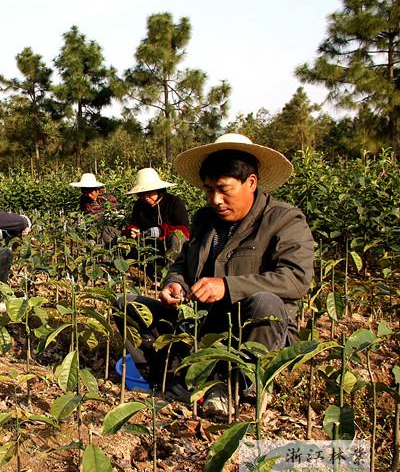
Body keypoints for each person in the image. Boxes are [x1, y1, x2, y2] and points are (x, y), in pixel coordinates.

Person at [116, 134, 314, 415]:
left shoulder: (284, 220)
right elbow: (182, 264)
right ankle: (167, 375)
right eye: (209, 190)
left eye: (224, 189)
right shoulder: (204, 219)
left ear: (251, 183)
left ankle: (233, 383)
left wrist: (227, 286)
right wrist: (174, 283)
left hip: (253, 330)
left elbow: (294, 279)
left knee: (265, 303)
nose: (216, 200)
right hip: (203, 324)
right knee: (127, 305)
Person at [122, 167, 190, 261]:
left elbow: (184, 230)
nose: (145, 197)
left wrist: (161, 231)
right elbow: (134, 224)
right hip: (147, 245)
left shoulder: (174, 202)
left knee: (177, 238)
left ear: (158, 190)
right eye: (141, 194)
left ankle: (172, 271)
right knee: (110, 231)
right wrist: (132, 230)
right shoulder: (139, 205)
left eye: (149, 193)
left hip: (168, 245)